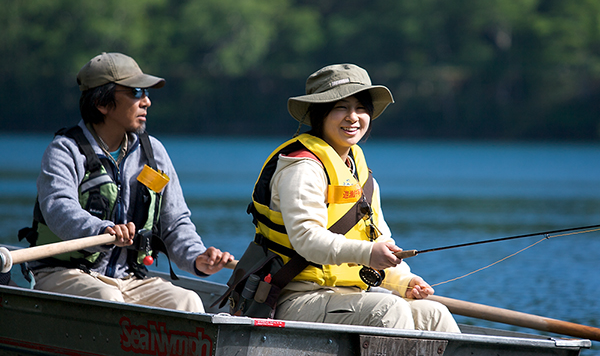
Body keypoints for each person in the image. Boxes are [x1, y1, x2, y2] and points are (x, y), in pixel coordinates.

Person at [247, 63, 460, 331]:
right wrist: (369, 253)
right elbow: (307, 239)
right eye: (341, 108)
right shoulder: (302, 168)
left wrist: (404, 281)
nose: (352, 117)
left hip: (351, 296)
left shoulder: (361, 174)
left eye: (361, 108)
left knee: (434, 314)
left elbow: (379, 241)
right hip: (297, 297)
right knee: (389, 309)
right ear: (319, 114)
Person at [19, 52, 233, 312]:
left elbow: (175, 223)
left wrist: (198, 258)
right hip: (64, 273)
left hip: (130, 278)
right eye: (137, 92)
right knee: (109, 300)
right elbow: (59, 208)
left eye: (146, 93)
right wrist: (102, 230)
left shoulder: (153, 153)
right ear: (103, 103)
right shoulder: (65, 150)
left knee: (189, 302)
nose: (147, 102)